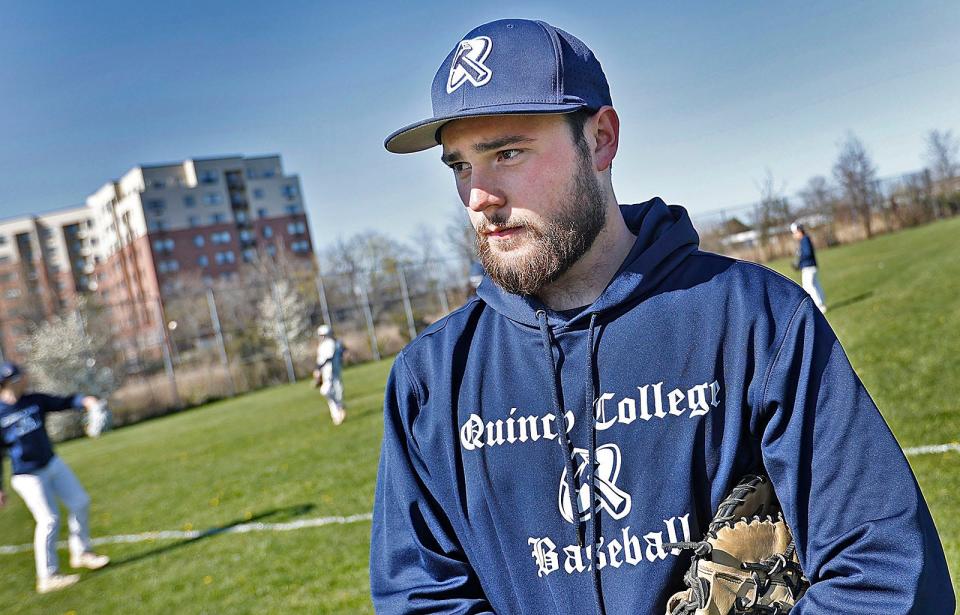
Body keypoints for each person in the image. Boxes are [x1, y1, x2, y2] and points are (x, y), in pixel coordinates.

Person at [370, 18, 953, 614]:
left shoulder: (757, 322)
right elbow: (419, 599)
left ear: (599, 138)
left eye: (508, 152)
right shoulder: (432, 380)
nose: (479, 197)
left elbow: (887, 574)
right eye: (460, 166)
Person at [0, 362, 110, 594]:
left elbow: (65, 401)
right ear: (10, 382)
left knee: (80, 502)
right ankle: (47, 576)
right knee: (49, 520)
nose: (26, 379)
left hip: (51, 463)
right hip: (27, 475)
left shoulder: (34, 400)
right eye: (21, 377)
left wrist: (87, 401)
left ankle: (81, 553)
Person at [791, 222, 828, 313]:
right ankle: (822, 304)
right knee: (814, 285)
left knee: (809, 286)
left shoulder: (804, 240)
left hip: (808, 267)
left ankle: (820, 306)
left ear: (799, 231)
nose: (794, 235)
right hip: (810, 266)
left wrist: (799, 263)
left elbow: (807, 253)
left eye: (795, 233)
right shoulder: (804, 240)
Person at [312, 325, 346, 425]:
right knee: (328, 391)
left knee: (331, 390)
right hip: (327, 371)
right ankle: (337, 412)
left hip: (331, 370)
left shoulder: (330, 343)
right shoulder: (323, 345)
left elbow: (328, 358)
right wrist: (318, 370)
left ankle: (339, 409)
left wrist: (318, 369)